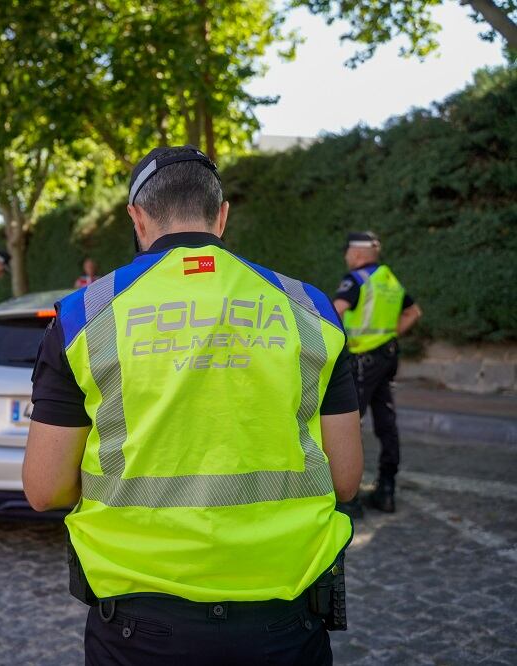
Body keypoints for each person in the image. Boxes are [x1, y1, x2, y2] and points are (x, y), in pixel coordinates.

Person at [23, 145, 363, 665]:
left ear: (137, 218)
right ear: (221, 215)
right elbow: (345, 479)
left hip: (140, 626)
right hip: (285, 620)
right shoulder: (311, 310)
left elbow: (45, 489)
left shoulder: (83, 316)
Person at [333, 232, 421, 513]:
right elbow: (413, 313)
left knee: (348, 424)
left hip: (360, 360)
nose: (346, 257)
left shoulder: (356, 280)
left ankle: (350, 500)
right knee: (386, 422)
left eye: (347, 252)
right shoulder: (389, 280)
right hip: (387, 358)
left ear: (356, 255)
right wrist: (388, 336)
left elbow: (335, 311)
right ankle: (386, 489)